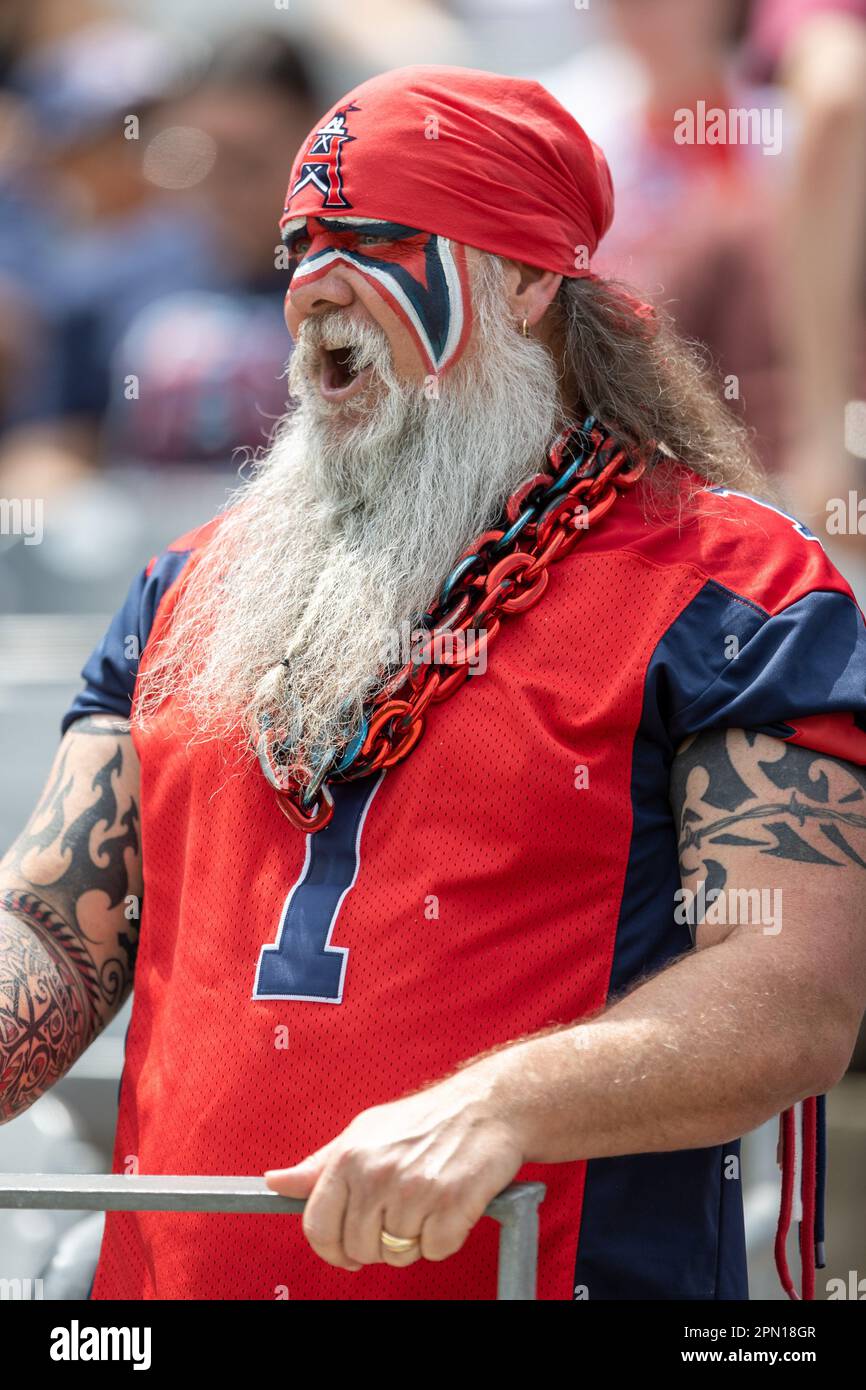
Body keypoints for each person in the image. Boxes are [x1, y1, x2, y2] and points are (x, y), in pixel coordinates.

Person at [2, 65, 866, 1302]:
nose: (313, 284)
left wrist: (496, 1105)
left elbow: (792, 998)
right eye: (302, 242)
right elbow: (53, 929)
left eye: (376, 239)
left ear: (523, 279)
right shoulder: (186, 589)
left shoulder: (733, 592)